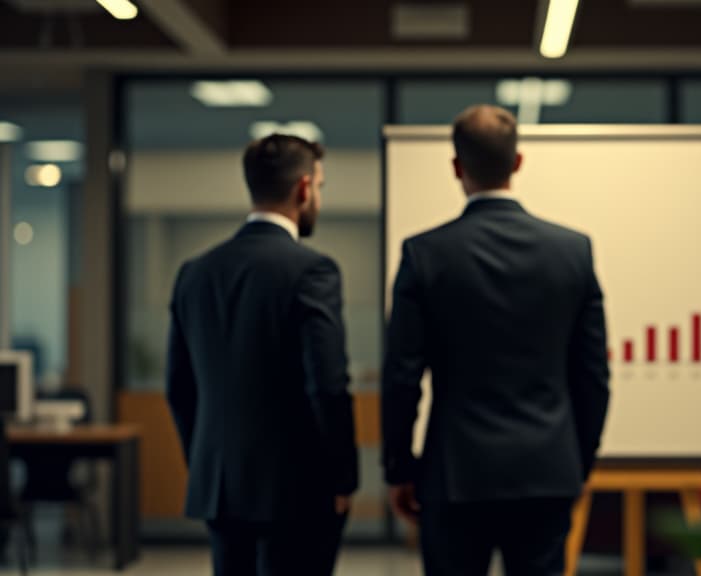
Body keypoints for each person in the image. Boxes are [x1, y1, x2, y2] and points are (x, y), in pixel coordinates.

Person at [382, 105, 611, 575]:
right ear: (518, 162)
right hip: (547, 471)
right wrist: (576, 463)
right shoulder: (572, 252)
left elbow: (402, 377)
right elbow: (593, 376)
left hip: (454, 473)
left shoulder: (425, 255)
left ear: (455, 167)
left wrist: (400, 469)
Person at [166, 134, 358, 576]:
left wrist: (208, 463)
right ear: (304, 188)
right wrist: (343, 477)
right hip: (297, 489)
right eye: (321, 188)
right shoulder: (312, 270)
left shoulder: (196, 273)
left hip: (221, 486)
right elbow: (327, 384)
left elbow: (179, 386)